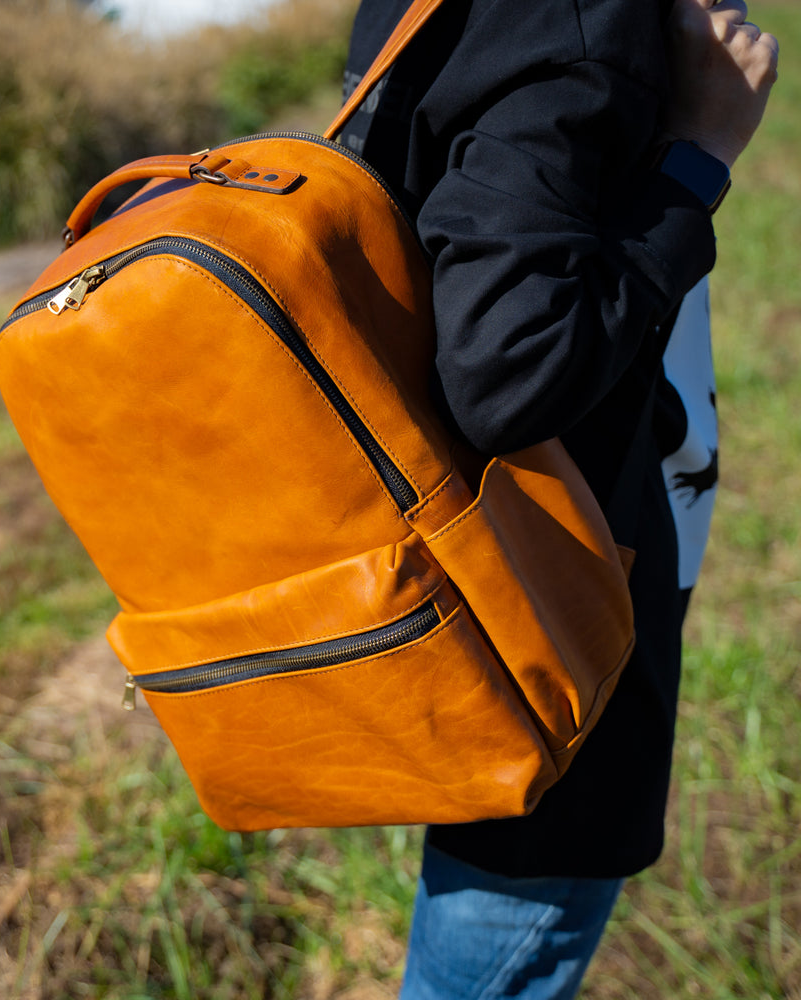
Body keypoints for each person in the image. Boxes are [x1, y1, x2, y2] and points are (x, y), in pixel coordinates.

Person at [337, 0, 779, 996]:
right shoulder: (580, 19)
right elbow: (508, 366)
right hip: (558, 596)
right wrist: (701, 154)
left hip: (520, 570)